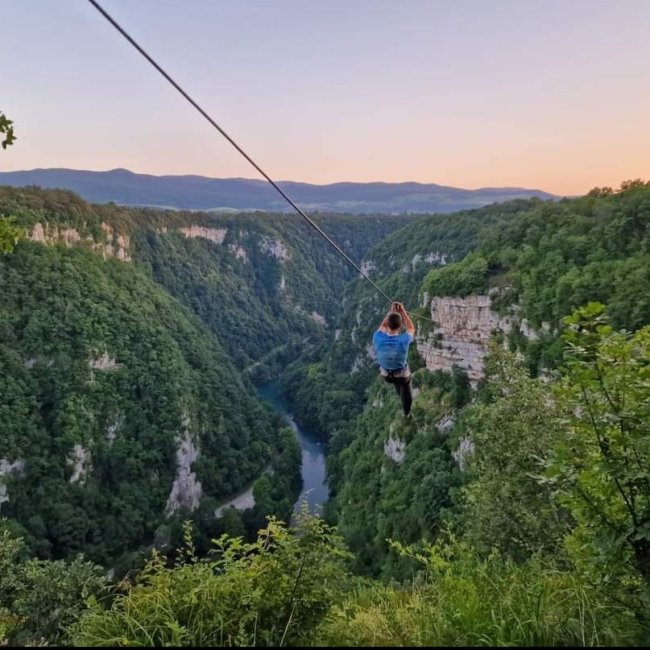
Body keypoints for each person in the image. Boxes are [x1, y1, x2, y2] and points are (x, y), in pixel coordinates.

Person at [372, 301, 415, 416]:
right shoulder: (404, 340)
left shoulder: (378, 337)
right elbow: (411, 328)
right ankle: (407, 412)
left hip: (386, 375)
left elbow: (383, 326)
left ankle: (399, 392)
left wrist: (391, 312)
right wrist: (403, 312)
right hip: (402, 376)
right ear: (401, 326)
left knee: (397, 382)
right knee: (406, 389)